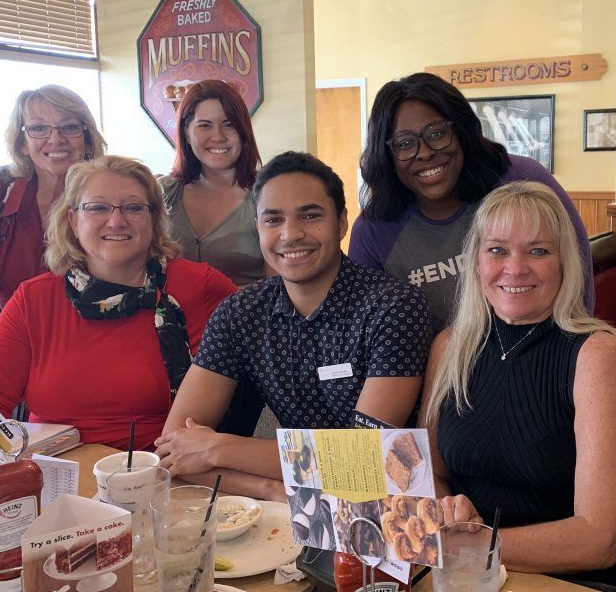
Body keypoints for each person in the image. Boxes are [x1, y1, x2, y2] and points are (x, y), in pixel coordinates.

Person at [0, 156, 235, 512]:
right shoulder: (33, 300)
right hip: (55, 495)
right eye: (97, 208)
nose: (116, 220)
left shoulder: (201, 287)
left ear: (154, 219)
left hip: (169, 487)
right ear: (72, 220)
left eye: (134, 207)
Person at [155, 152, 431, 500]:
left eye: (310, 215)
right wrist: (272, 489)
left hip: (386, 510)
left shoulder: (393, 306)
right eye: (273, 220)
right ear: (257, 228)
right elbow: (174, 449)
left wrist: (218, 448)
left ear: (342, 222)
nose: (291, 234)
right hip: (285, 505)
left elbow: (371, 458)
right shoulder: (241, 312)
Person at [422, 181, 616, 579]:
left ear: (564, 262)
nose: (515, 268)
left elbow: (600, 538)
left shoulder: (597, 354)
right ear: (477, 262)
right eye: (497, 250)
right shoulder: (450, 346)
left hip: (561, 585)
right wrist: (450, 513)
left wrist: (475, 543)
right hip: (458, 570)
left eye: (538, 250)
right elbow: (429, 475)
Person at [349, 72, 594, 331]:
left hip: (540, 358)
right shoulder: (373, 230)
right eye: (404, 143)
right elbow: (368, 331)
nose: (425, 153)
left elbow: (577, 280)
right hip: (430, 369)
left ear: (462, 130)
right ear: (386, 154)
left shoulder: (521, 180)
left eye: (436, 133)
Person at [0, 86, 107, 375]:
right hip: (10, 346)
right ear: (22, 142)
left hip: (96, 345)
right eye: (39, 128)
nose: (55, 139)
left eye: (69, 127)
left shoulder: (111, 192)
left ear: (86, 138)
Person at [159, 79, 264, 286]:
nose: (218, 137)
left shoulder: (267, 193)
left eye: (229, 125)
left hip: (248, 316)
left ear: (244, 133)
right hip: (172, 317)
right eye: (204, 126)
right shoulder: (162, 192)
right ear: (187, 133)